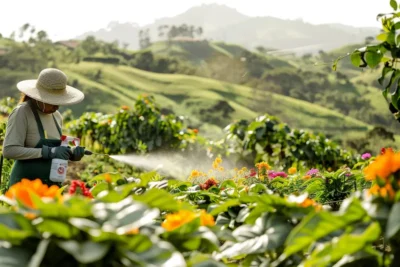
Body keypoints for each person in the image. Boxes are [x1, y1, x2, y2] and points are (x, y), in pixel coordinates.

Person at [3, 68, 85, 187]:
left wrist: (71, 153)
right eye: (52, 101)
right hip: (24, 186)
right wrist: (50, 151)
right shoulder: (22, 112)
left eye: (59, 101)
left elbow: (57, 152)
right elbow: (9, 151)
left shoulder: (56, 117)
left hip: (50, 186)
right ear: (39, 97)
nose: (56, 107)